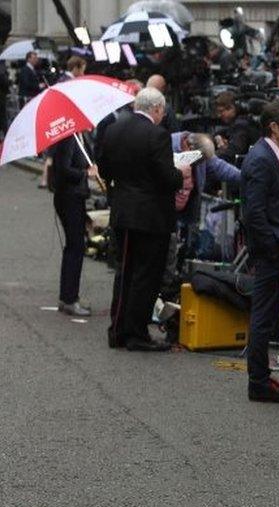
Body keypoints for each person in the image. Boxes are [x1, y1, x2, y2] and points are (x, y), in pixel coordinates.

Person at [98, 87, 184, 352]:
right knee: (146, 275)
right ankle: (136, 333)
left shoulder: (114, 128)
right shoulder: (157, 135)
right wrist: (180, 173)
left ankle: (118, 328)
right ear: (157, 109)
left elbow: (103, 168)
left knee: (125, 272)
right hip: (150, 216)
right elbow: (167, 178)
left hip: (123, 211)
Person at [240, 101, 279, 403]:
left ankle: (262, 377)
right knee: (263, 316)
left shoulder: (272, 156)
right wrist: (272, 247)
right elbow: (254, 212)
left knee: (266, 314)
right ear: (274, 127)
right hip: (270, 251)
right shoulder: (262, 159)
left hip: (276, 247)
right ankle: (258, 382)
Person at [50, 134, 97, 316]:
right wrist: (86, 173)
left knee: (75, 246)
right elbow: (63, 169)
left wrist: (90, 167)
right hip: (69, 198)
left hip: (75, 196)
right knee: (75, 247)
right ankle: (69, 299)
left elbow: (87, 160)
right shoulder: (68, 138)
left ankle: (68, 296)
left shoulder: (80, 137)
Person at [213, 91, 261, 164]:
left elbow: (232, 153)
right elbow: (223, 132)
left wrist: (211, 156)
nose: (219, 115)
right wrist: (218, 137)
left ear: (232, 108)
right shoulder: (242, 122)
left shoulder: (241, 125)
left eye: (222, 111)